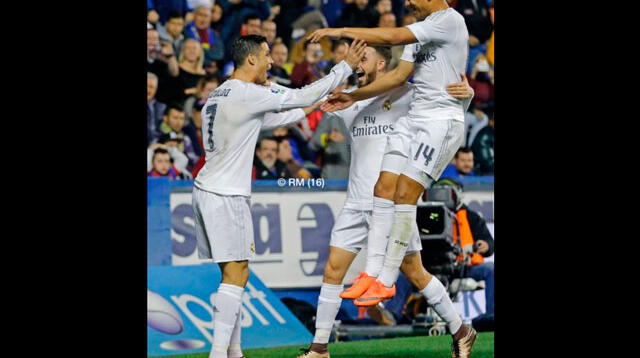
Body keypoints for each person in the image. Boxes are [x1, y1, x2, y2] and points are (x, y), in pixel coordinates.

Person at [308, 0, 478, 355]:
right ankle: (319, 347)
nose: (360, 62)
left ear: (381, 62)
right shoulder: (355, 101)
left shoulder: (407, 95)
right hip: (360, 201)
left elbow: (440, 90)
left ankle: (460, 327)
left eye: (364, 57)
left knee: (415, 272)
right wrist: (346, 88)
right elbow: (308, 103)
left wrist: (467, 96)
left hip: (396, 196)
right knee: (332, 269)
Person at [192, 34, 366, 358]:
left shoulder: (221, 94)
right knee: (235, 274)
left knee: (237, 273)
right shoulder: (247, 93)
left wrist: (314, 102)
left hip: (208, 189)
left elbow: (282, 115)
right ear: (251, 59)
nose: (272, 62)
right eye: (267, 55)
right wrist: (344, 68)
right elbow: (300, 96)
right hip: (225, 194)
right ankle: (218, 355)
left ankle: (234, 352)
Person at [185, 5, 225, 72]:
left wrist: (201, 50)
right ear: (194, 16)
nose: (203, 19)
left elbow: (219, 54)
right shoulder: (186, 32)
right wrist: (209, 63)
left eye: (206, 16)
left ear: (210, 19)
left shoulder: (214, 33)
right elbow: (191, 55)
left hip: (211, 71)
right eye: (200, 15)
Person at [148, 72, 167, 145]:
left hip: (160, 145)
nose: (148, 90)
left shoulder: (162, 107)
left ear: (156, 90)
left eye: (151, 87)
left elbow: (165, 128)